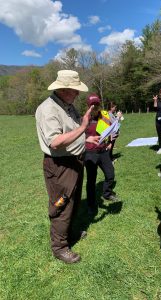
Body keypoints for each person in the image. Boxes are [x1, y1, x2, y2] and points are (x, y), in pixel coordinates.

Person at [35, 70, 99, 264]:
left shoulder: (68, 106)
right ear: (63, 89)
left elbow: (71, 132)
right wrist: (83, 128)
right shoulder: (49, 109)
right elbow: (55, 141)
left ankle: (68, 235)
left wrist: (86, 137)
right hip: (59, 165)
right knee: (61, 205)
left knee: (73, 202)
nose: (77, 94)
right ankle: (59, 247)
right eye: (74, 90)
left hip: (74, 161)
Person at [84, 94, 119, 215]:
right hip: (89, 153)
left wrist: (110, 142)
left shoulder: (104, 116)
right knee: (91, 180)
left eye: (97, 104)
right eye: (92, 105)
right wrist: (87, 138)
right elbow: (78, 136)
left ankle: (107, 194)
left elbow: (113, 129)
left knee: (110, 174)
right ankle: (91, 205)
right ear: (88, 106)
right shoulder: (84, 119)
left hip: (103, 151)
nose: (95, 107)